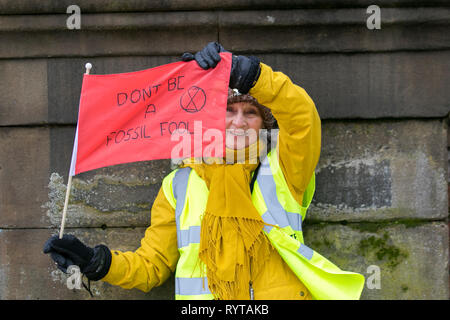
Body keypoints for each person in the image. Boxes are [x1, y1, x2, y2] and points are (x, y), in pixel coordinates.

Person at [44, 42, 365, 300]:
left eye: (250, 113)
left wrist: (248, 74)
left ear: (264, 123)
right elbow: (151, 266)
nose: (239, 122)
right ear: (213, 117)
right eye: (230, 110)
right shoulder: (178, 185)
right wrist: (97, 263)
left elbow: (302, 117)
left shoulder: (284, 167)